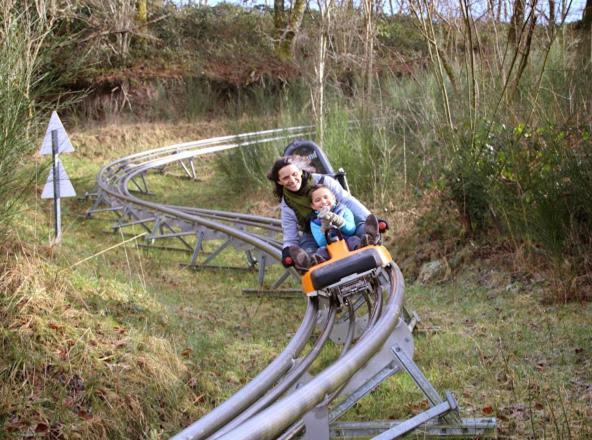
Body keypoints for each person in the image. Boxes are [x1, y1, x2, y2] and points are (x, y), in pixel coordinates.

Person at [267, 155, 382, 272]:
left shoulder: (323, 181)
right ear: (279, 181)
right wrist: (287, 250)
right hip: (313, 230)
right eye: (286, 178)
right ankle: (311, 260)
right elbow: (290, 233)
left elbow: (347, 200)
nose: (291, 180)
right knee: (307, 244)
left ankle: (369, 236)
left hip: (340, 215)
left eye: (294, 174)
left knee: (358, 224)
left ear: (300, 171)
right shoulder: (287, 204)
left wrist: (369, 216)